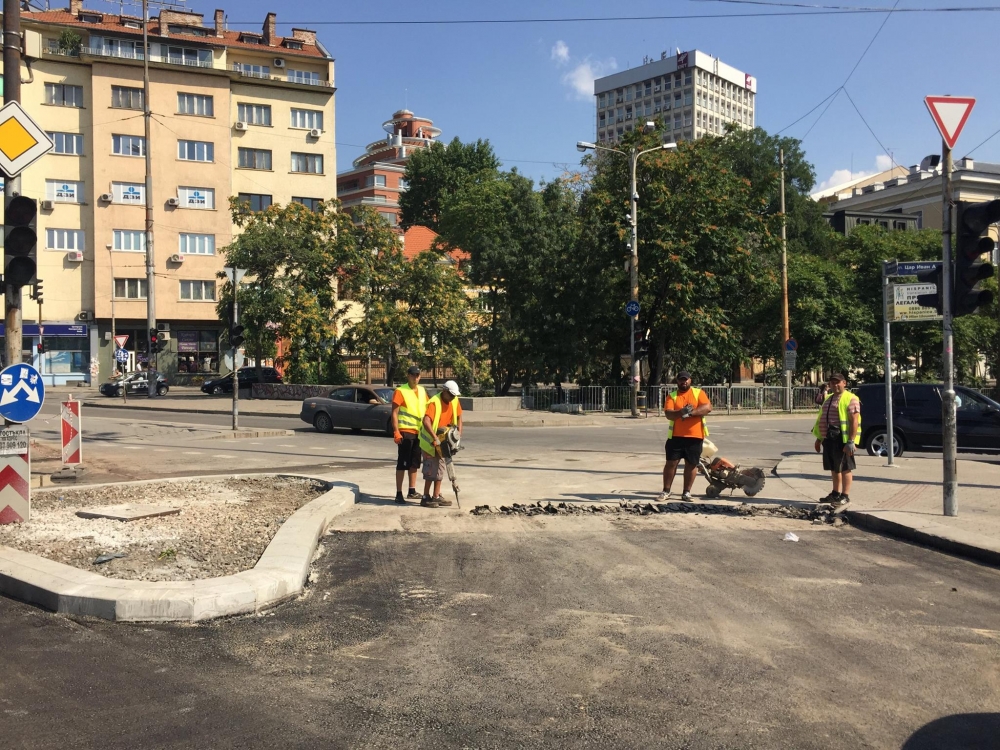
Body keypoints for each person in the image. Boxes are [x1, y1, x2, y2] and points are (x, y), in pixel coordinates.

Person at [659, 371, 712, 502]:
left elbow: (707, 407)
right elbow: (669, 414)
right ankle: (666, 491)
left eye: (686, 380)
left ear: (690, 380)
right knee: (671, 463)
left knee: (691, 464)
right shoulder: (672, 396)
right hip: (676, 437)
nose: (684, 382)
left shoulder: (698, 393)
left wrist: (690, 413)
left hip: (695, 437)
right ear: (677, 381)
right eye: (681, 380)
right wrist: (681, 412)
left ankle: (686, 493)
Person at [812, 373, 861, 507]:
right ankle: (835, 493)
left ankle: (845, 496)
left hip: (842, 438)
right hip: (829, 437)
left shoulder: (851, 398)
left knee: (845, 468)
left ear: (844, 383)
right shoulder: (828, 398)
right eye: (833, 382)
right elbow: (822, 420)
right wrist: (819, 439)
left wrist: (851, 441)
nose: (835, 385)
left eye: (838, 382)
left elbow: (854, 421)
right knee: (834, 468)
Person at [418, 380, 464, 508]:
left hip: (444, 440)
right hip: (430, 442)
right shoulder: (434, 402)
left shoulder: (454, 400)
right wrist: (434, 437)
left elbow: (460, 418)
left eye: (455, 395)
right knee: (430, 471)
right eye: (451, 395)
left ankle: (436, 496)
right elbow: (426, 421)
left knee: (441, 469)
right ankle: (425, 497)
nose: (453, 398)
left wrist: (458, 435)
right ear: (444, 391)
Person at [391, 365, 429, 504]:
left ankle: (411, 490)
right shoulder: (401, 391)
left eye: (418, 375)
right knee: (402, 463)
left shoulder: (422, 390)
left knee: (414, 463)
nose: (415, 377)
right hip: (405, 432)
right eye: (413, 375)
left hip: (419, 432)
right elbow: (394, 412)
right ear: (408, 376)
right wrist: (396, 431)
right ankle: (399, 493)